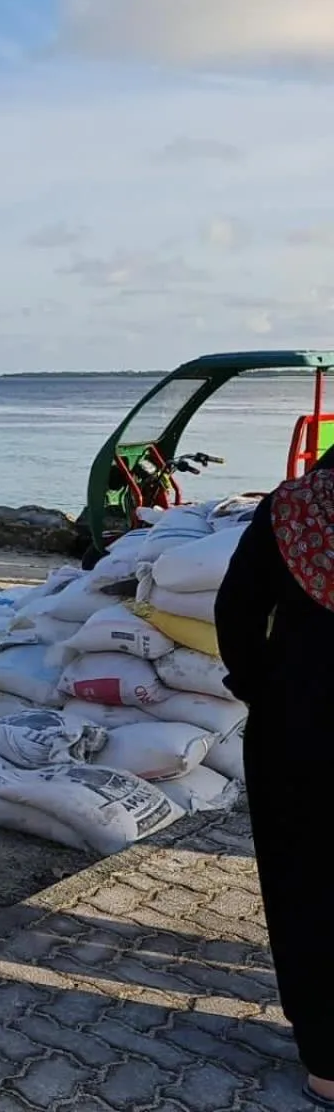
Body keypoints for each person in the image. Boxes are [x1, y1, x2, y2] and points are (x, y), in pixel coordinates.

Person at [216, 450, 334, 1107]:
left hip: (298, 730)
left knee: (306, 890)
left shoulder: (291, 508)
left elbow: (236, 611)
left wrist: (266, 689)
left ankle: (326, 1058)